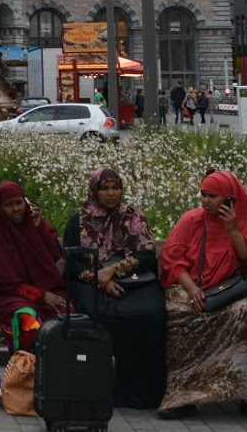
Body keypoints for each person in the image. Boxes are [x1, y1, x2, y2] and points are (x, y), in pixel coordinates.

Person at [156, 171, 247, 423]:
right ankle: (186, 397)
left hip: (229, 289)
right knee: (180, 312)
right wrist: (191, 288)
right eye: (203, 195)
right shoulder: (191, 220)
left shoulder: (245, 224)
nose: (205, 201)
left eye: (212, 196)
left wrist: (234, 230)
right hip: (190, 286)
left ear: (229, 199)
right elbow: (173, 258)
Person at [62, 167, 166, 409]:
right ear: (94, 191)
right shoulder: (79, 221)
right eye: (105, 189)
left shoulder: (133, 216)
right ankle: (103, 389)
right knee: (100, 314)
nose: (111, 193)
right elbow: (74, 263)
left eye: (115, 188)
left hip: (136, 280)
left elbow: (146, 255)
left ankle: (145, 394)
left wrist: (113, 271)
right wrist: (101, 280)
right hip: (91, 283)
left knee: (153, 313)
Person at [0, 181, 65, 352]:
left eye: (19, 203)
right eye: (8, 205)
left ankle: (62, 364)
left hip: (46, 289)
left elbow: (55, 254)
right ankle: (27, 364)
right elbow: (7, 282)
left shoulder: (33, 224)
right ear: (0, 208)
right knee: (27, 320)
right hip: (10, 295)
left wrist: (39, 228)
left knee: (70, 315)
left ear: (26, 202)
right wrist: (41, 295)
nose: (16, 209)